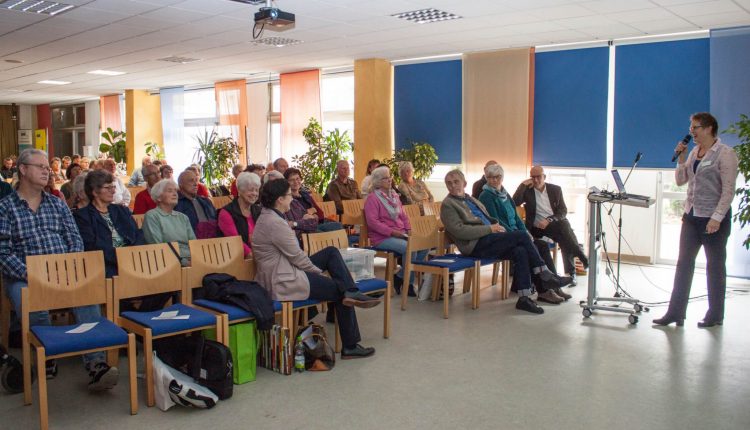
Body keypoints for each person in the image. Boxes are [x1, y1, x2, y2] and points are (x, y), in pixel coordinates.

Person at [0, 149, 119, 389]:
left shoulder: (56, 204)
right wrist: (31, 273)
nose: (47, 171)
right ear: (23, 169)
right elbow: (3, 252)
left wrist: (67, 266)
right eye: (41, 167)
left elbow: (74, 239)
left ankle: (96, 364)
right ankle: (47, 356)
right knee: (30, 297)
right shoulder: (5, 207)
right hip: (25, 274)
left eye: (47, 167)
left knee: (86, 292)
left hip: (62, 270)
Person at [252, 178, 380, 359]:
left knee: (331, 253)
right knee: (340, 290)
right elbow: (298, 258)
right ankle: (350, 346)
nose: (292, 199)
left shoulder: (269, 216)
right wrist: (320, 274)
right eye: (289, 195)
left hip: (285, 269)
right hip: (283, 279)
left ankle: (351, 291)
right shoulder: (275, 223)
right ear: (279, 199)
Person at [654, 112, 739, 328]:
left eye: (695, 128)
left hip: (713, 219)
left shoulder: (725, 154)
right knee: (683, 264)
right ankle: (675, 312)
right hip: (692, 216)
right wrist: (682, 159)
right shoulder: (693, 152)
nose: (691, 132)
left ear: (709, 128)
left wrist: (717, 218)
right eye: (691, 128)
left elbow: (728, 191)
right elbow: (681, 181)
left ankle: (715, 314)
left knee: (715, 267)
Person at [440, 169, 566, 314]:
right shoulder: (448, 204)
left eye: (456, 182)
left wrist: (497, 228)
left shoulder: (471, 199)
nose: (452, 186)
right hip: (475, 245)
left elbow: (490, 219)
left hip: (489, 238)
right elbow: (460, 231)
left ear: (464, 183)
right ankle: (544, 273)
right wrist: (490, 229)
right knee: (522, 236)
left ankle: (524, 298)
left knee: (520, 251)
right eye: (449, 183)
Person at [478, 164, 571, 303]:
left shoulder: (504, 194)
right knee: (527, 248)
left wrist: (525, 232)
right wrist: (518, 235)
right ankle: (546, 287)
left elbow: (516, 218)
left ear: (502, 177)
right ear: (486, 178)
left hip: (516, 235)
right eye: (490, 177)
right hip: (502, 236)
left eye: (497, 177)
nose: (494, 180)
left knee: (541, 245)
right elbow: (496, 221)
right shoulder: (486, 196)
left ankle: (553, 286)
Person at [512, 165, 589, 285]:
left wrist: (549, 220)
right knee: (565, 233)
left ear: (544, 177)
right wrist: (522, 185)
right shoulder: (527, 191)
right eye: (533, 177)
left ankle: (570, 274)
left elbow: (563, 211)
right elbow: (515, 202)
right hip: (537, 228)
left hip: (554, 224)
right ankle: (579, 260)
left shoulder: (555, 189)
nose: (535, 180)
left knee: (564, 233)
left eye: (538, 177)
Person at [364, 166, 431, 297]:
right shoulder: (372, 198)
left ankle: (400, 276)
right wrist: (393, 232)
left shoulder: (394, 195)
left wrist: (409, 229)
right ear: (377, 181)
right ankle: (408, 283)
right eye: (385, 178)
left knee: (424, 245)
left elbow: (404, 216)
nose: (390, 180)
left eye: (390, 177)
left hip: (400, 233)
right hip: (382, 237)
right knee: (410, 247)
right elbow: (373, 223)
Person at [73, 170, 144, 278]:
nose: (113, 191)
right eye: (108, 188)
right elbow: (93, 247)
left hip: (133, 260)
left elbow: (138, 234)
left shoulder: (122, 210)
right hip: (106, 267)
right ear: (95, 192)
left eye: (113, 187)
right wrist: (122, 258)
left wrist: (133, 255)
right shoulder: (82, 217)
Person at [143, 179, 196, 266]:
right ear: (159, 197)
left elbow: (194, 244)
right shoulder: (152, 216)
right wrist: (186, 263)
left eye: (175, 191)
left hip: (192, 260)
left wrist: (197, 260)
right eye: (170, 191)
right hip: (168, 262)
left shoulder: (183, 217)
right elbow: (158, 247)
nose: (175, 194)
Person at [283, 168, 343, 238]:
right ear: (286, 182)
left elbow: (320, 214)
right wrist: (311, 212)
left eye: (297, 179)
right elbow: (297, 220)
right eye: (292, 180)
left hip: (317, 223)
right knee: (331, 233)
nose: (296, 182)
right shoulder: (289, 199)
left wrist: (311, 215)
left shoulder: (305, 195)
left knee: (338, 226)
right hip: (305, 228)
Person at [218, 172, 261, 257]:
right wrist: (255, 257)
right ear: (240, 191)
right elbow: (235, 242)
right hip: (237, 258)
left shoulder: (259, 210)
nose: (254, 193)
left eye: (257, 190)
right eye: (251, 190)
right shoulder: (226, 213)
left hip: (260, 256)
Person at [174, 170, 217, 238]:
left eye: (196, 180)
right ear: (181, 185)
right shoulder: (176, 204)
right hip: (190, 241)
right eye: (191, 180)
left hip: (214, 240)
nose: (196, 184)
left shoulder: (206, 201)